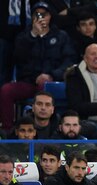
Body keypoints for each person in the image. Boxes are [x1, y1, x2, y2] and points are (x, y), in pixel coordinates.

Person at [0, 1, 76, 131]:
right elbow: (18, 59)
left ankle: (46, 128)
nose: (40, 17)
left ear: (50, 16)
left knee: (44, 87)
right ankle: (8, 130)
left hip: (52, 82)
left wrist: (52, 75)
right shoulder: (23, 37)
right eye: (37, 14)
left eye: (44, 14)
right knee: (6, 90)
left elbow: (69, 61)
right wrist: (32, 36)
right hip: (29, 82)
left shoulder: (61, 36)